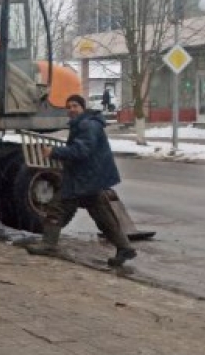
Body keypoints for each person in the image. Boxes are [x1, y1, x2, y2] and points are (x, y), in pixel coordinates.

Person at [30, 93, 136, 268]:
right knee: (103, 216)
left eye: (75, 106)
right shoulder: (84, 124)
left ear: (82, 108)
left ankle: (48, 245)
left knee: (56, 208)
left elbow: (81, 150)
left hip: (84, 179)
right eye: (69, 107)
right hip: (89, 178)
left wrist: (55, 152)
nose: (72, 110)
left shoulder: (87, 125)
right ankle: (124, 247)